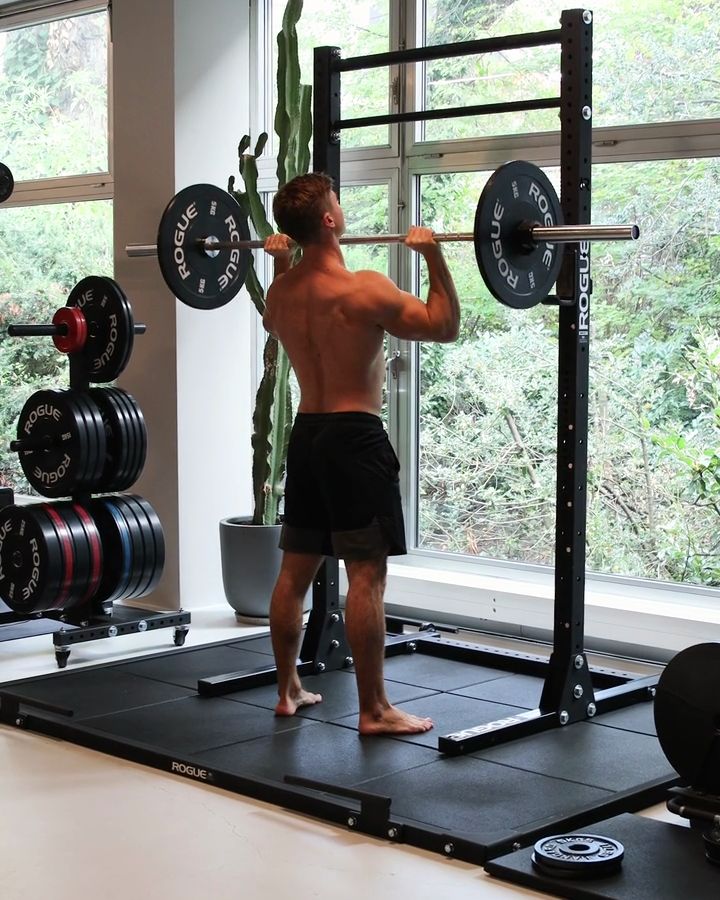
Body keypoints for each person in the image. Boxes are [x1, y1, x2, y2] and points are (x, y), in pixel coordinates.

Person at [263, 172, 460, 735]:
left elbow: (275, 321)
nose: (342, 208)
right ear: (329, 220)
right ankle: (374, 710)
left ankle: (287, 689)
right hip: (355, 439)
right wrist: (434, 258)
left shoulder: (282, 292)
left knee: (294, 572)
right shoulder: (363, 289)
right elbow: (443, 326)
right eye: (337, 202)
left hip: (308, 437)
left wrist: (281, 262)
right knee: (366, 575)